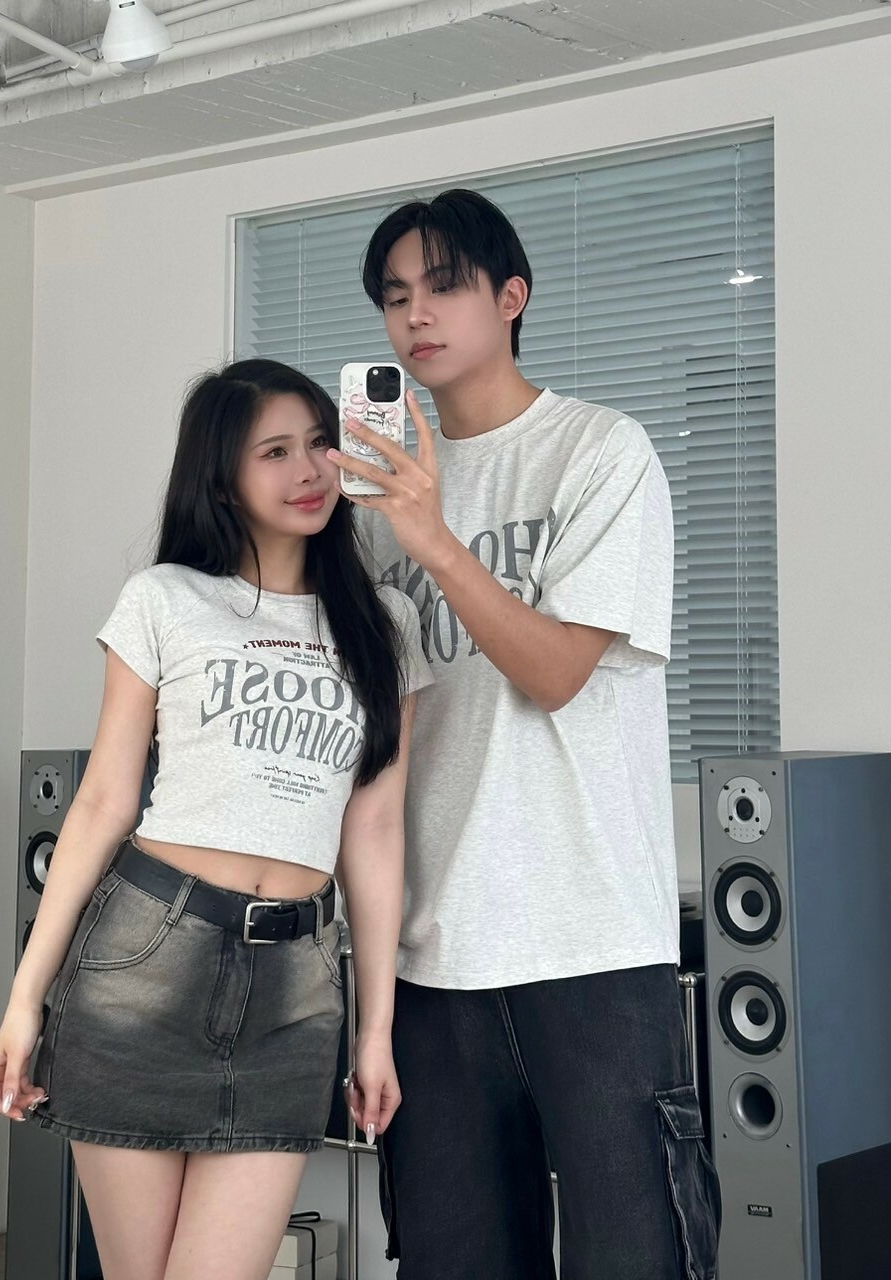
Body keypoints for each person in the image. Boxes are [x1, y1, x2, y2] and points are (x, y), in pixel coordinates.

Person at [331, 189, 721, 1280]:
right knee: (452, 1259)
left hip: (588, 940)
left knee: (635, 1254)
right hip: (429, 950)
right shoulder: (374, 499)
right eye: (394, 296)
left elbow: (556, 674)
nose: (416, 314)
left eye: (443, 285)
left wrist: (433, 538)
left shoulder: (599, 451)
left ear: (511, 297)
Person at [0, 358, 431, 1280]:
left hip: (295, 992)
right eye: (275, 452)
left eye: (320, 444)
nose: (309, 470)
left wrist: (375, 1029)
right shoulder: (166, 599)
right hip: (145, 962)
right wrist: (25, 1000)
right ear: (222, 479)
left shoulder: (384, 624)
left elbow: (377, 831)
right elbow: (104, 801)